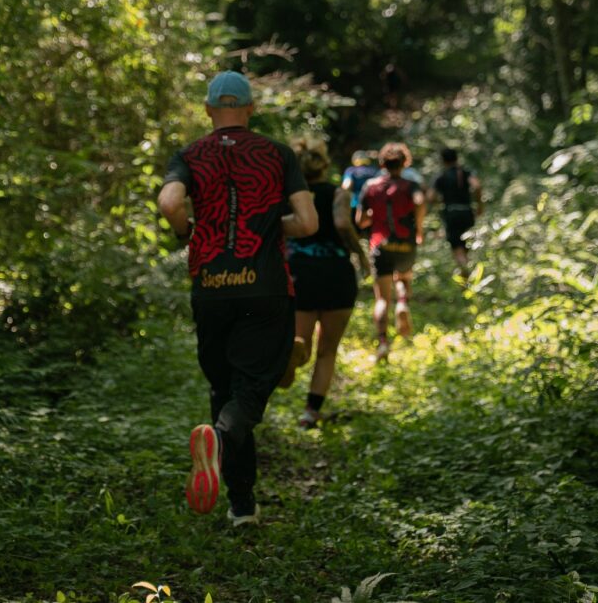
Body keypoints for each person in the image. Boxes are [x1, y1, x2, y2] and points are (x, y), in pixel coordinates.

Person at [158, 70, 318, 526]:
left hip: (210, 289)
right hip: (264, 285)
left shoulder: (189, 155)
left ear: (208, 110)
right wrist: (270, 227)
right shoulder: (277, 154)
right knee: (249, 392)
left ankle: (241, 503)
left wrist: (188, 232)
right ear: (250, 109)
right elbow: (307, 223)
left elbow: (170, 203)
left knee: (224, 387)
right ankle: (221, 441)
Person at [282, 137, 368, 428]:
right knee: (328, 349)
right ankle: (311, 412)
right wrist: (362, 256)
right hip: (336, 273)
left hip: (300, 273)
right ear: (325, 164)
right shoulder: (338, 193)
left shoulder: (291, 196)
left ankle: (290, 359)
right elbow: (343, 224)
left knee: (300, 343)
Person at [356, 142, 425, 362]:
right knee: (403, 278)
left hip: (380, 245)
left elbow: (361, 221)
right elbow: (420, 202)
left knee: (382, 299)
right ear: (405, 162)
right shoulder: (410, 185)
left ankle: (383, 344)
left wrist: (371, 215)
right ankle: (403, 302)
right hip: (406, 243)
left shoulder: (371, 185)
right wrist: (419, 228)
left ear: (382, 163)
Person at [430, 148, 483, 277]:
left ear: (443, 161)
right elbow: (477, 186)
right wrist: (480, 205)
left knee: (458, 249)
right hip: (467, 212)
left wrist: (439, 204)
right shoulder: (465, 173)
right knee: (466, 247)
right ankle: (469, 276)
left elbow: (431, 197)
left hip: (451, 214)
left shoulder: (442, 177)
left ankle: (467, 277)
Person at [341, 150, 379, 228]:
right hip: (373, 206)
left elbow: (346, 186)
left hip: (355, 204)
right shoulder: (375, 171)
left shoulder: (351, 170)